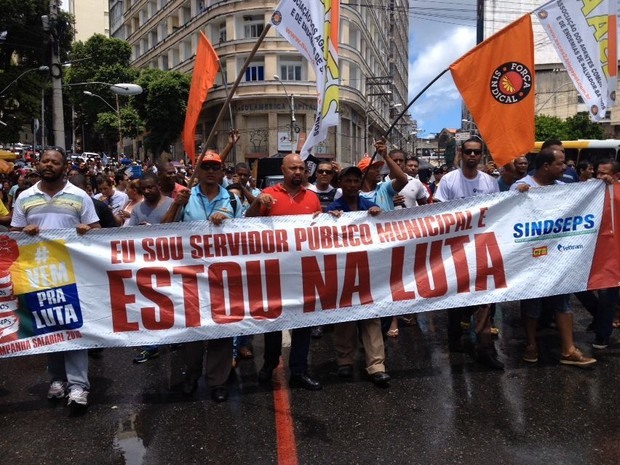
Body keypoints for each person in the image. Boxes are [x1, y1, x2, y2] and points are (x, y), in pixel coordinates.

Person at [10, 147, 101, 409]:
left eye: (55, 162)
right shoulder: (25, 197)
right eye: (45, 161)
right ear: (39, 164)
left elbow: (97, 230)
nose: (49, 165)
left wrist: (87, 230)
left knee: (73, 326)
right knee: (48, 326)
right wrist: (23, 231)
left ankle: (78, 386)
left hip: (72, 273)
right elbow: (14, 233)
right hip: (38, 274)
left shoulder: (79, 196)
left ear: (65, 167)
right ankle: (57, 379)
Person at [511, 147, 596, 366]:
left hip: (558, 257)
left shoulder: (563, 188)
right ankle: (531, 344)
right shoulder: (521, 186)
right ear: (546, 166)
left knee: (563, 302)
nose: (565, 167)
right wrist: (516, 197)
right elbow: (508, 219)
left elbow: (587, 197)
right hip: (532, 259)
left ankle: (568, 349)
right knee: (532, 304)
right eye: (560, 163)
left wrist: (602, 184)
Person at [246, 153, 323, 391]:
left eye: (301, 168)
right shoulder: (268, 195)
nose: (297, 172)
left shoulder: (312, 198)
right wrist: (257, 205)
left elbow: (319, 230)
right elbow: (246, 223)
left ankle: (299, 370)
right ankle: (269, 365)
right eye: (293, 168)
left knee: (303, 324)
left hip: (303, 272)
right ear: (283, 169)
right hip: (274, 272)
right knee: (274, 324)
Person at [170, 152, 241, 402]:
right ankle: (191, 375)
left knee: (222, 329)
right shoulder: (185, 198)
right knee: (193, 330)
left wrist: (228, 223)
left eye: (215, 167)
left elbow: (244, 234)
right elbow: (164, 229)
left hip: (222, 277)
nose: (210, 171)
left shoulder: (231, 200)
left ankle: (217, 381)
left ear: (222, 172)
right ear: (198, 171)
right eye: (206, 166)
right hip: (191, 275)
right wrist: (176, 204)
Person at [434, 137, 503, 370]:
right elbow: (438, 210)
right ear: (461, 154)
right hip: (455, 250)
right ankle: (455, 338)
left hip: (482, 247)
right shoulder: (448, 180)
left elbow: (497, 211)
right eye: (469, 152)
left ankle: (485, 350)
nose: (473, 156)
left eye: (477, 152)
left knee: (485, 297)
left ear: (481, 155)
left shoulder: (489, 182)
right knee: (457, 296)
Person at [325, 166, 391, 387]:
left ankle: (376, 366)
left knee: (371, 317)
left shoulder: (368, 206)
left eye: (356, 181)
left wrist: (375, 214)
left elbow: (382, 229)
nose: (352, 185)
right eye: (348, 181)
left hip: (367, 270)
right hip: (343, 270)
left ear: (360, 183)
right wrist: (331, 219)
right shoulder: (334, 208)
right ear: (341, 183)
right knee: (345, 317)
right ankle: (345, 361)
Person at [591, 160, 620, 350]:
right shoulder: (592, 192)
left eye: (605, 173)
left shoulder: (616, 192)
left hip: (614, 252)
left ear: (616, 175)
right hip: (599, 252)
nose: (600, 177)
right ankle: (602, 324)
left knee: (609, 295)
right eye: (598, 173)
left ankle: (602, 331)